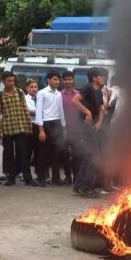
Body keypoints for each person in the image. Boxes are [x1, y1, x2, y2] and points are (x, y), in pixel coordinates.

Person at [0, 71, 37, 186]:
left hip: (21, 127)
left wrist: (29, 126)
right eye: (9, 81)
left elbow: (25, 109)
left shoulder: (19, 92)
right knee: (9, 154)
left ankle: (28, 177)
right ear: (3, 81)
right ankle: (11, 177)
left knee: (23, 153)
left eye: (13, 80)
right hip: (8, 129)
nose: (11, 83)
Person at [74, 68, 107, 197]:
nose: (104, 78)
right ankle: (87, 187)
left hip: (93, 126)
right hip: (85, 126)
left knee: (89, 156)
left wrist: (99, 122)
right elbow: (75, 101)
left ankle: (79, 185)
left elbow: (101, 109)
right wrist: (87, 112)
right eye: (102, 76)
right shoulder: (87, 88)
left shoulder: (99, 92)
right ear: (94, 78)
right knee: (95, 155)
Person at [35, 71, 66, 186]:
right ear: (48, 80)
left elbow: (61, 110)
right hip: (46, 123)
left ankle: (56, 178)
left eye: (58, 80)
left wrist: (63, 126)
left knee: (57, 153)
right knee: (44, 153)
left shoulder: (58, 94)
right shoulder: (42, 93)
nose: (57, 82)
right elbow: (38, 111)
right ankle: (41, 178)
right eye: (54, 79)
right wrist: (41, 130)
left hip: (57, 123)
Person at [61, 71, 91, 186]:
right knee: (64, 155)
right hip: (64, 128)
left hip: (77, 128)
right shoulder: (59, 94)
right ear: (63, 81)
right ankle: (67, 177)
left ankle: (77, 177)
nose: (68, 81)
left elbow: (83, 110)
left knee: (77, 154)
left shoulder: (78, 94)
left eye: (70, 79)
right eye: (66, 79)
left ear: (73, 80)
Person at [24, 78, 44, 184]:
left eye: (36, 87)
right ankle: (27, 177)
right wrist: (41, 111)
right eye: (31, 87)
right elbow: (28, 111)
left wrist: (39, 112)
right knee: (27, 153)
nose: (34, 89)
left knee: (39, 153)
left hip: (39, 127)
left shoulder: (40, 97)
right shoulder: (24, 98)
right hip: (29, 127)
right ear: (27, 88)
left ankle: (40, 176)